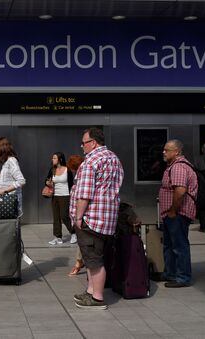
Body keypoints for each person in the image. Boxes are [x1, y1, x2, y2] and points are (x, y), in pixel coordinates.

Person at [70, 128, 123, 310]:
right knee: (93, 258)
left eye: (84, 143)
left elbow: (84, 194)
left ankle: (97, 298)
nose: (82, 146)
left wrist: (78, 217)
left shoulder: (90, 161)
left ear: (93, 143)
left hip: (91, 218)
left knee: (94, 260)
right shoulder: (114, 159)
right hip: (107, 218)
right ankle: (91, 291)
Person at [157, 139, 198, 288]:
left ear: (177, 152)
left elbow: (180, 191)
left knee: (179, 246)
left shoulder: (179, 167)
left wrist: (173, 211)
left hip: (177, 213)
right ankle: (170, 273)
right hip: (171, 214)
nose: (164, 152)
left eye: (167, 150)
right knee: (169, 245)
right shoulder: (173, 166)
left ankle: (182, 277)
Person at [0, 137, 26, 216]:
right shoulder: (7, 162)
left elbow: (21, 181)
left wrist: (4, 191)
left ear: (2, 149)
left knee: (11, 227)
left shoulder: (11, 161)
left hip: (11, 202)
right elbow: (10, 177)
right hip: (7, 202)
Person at [45, 152, 74, 245]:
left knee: (64, 216)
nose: (52, 160)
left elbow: (71, 184)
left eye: (54, 158)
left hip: (65, 195)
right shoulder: (52, 169)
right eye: (52, 158)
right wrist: (47, 183)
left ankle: (74, 232)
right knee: (56, 217)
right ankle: (58, 237)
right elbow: (46, 179)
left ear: (60, 159)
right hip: (55, 196)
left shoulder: (67, 170)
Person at [65, 154, 86, 276]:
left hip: (81, 215)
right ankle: (80, 262)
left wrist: (77, 217)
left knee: (82, 240)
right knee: (82, 240)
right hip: (78, 214)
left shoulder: (82, 176)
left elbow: (81, 198)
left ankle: (79, 263)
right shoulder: (79, 176)